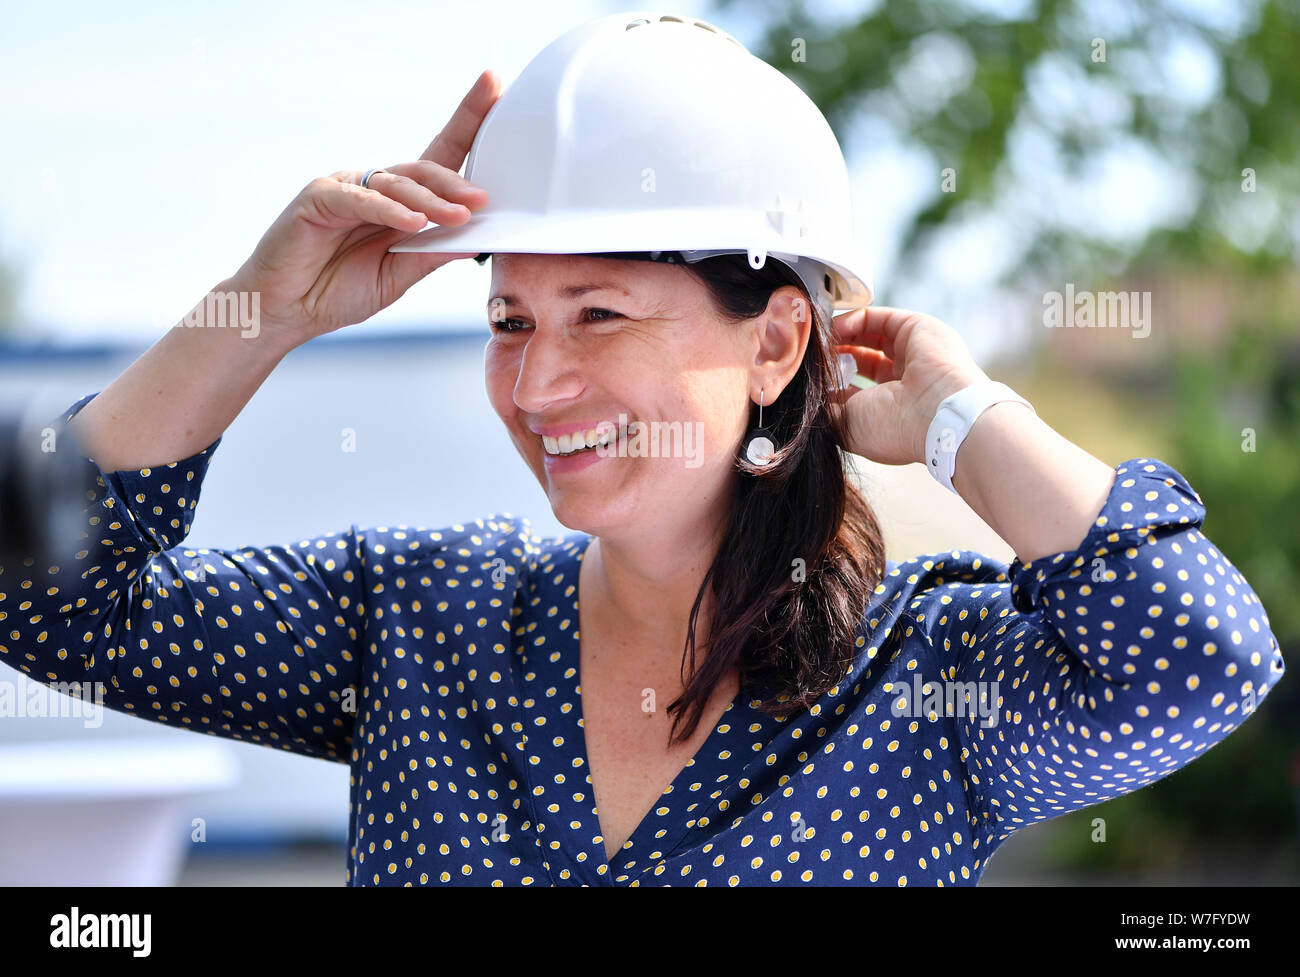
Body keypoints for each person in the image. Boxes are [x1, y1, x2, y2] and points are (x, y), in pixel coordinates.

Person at [0, 13, 1285, 886]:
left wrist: (955, 413)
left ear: (779, 345)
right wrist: (259, 313)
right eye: (509, 319)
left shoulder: (924, 682)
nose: (535, 379)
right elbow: (49, 602)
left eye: (600, 314)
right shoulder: (411, 623)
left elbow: (1196, 655)